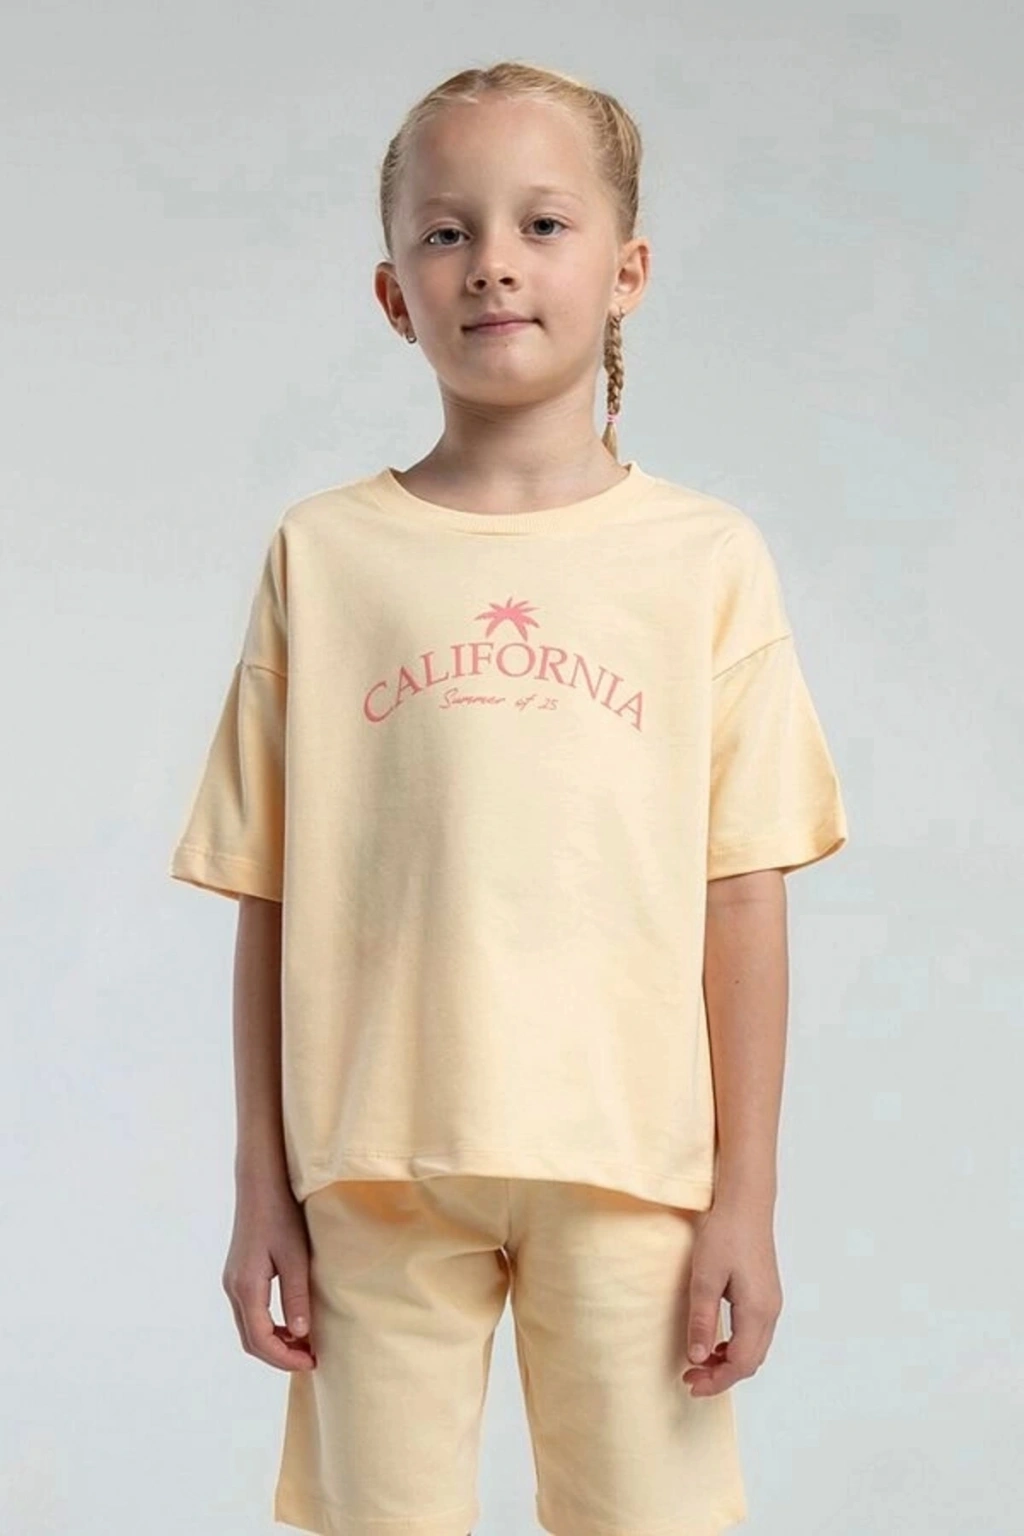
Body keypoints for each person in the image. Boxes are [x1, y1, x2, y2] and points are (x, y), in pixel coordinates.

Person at [169, 59, 848, 1536]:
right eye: (446, 230)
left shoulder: (704, 562)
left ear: (628, 271)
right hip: (374, 1167)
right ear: (391, 291)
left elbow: (744, 890)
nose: (492, 263)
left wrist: (743, 1198)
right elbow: (270, 892)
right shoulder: (325, 556)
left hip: (631, 1168)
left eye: (543, 224)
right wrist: (260, 1187)